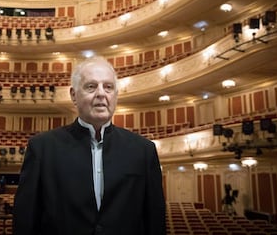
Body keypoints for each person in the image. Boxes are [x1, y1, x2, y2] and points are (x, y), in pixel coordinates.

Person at [13, 56, 166, 235]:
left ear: (116, 95)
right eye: (91, 86)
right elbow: (25, 220)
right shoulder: (42, 148)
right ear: (73, 95)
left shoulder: (144, 150)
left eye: (108, 87)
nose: (101, 93)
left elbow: (155, 220)